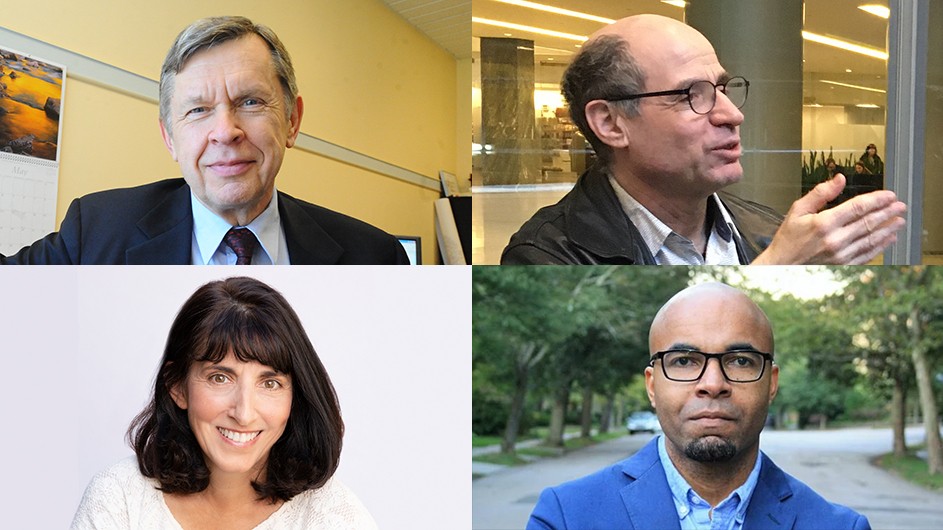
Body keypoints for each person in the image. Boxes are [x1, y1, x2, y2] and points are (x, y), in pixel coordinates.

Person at [501, 14, 905, 265]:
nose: (732, 114)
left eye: (724, 88)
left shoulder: (766, 227)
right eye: (691, 94)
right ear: (611, 123)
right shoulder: (546, 254)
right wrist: (779, 270)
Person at [1, 16, 407, 264]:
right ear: (170, 137)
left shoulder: (374, 256)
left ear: (292, 120)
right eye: (197, 110)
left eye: (249, 101)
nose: (226, 131)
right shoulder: (96, 232)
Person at [527, 283, 870, 530]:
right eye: (684, 361)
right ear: (651, 385)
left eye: (739, 361)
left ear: (772, 383)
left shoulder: (837, 525)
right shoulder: (566, 517)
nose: (713, 384)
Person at [71, 277, 378, 529]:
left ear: (294, 397)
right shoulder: (118, 499)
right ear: (176, 385)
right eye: (220, 378)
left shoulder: (335, 518)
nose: (243, 413)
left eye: (269, 383)